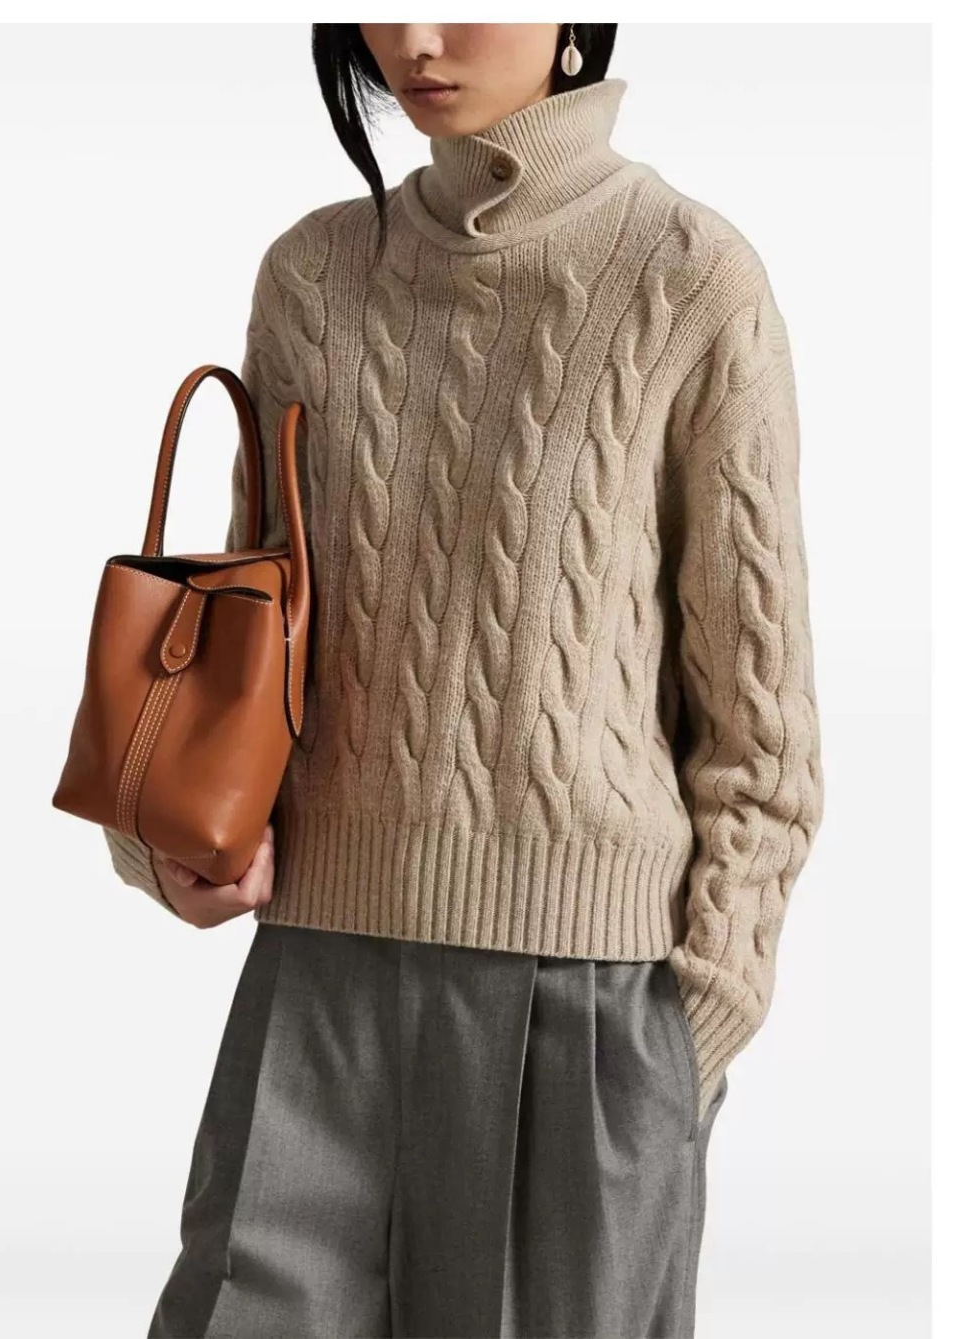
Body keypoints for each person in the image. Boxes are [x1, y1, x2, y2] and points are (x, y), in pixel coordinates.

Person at [104, 23, 825, 1339]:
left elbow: (761, 734)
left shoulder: (691, 277)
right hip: (317, 984)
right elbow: (244, 647)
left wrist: (690, 1037)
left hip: (588, 1010)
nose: (414, 36)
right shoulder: (313, 274)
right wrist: (173, 842)